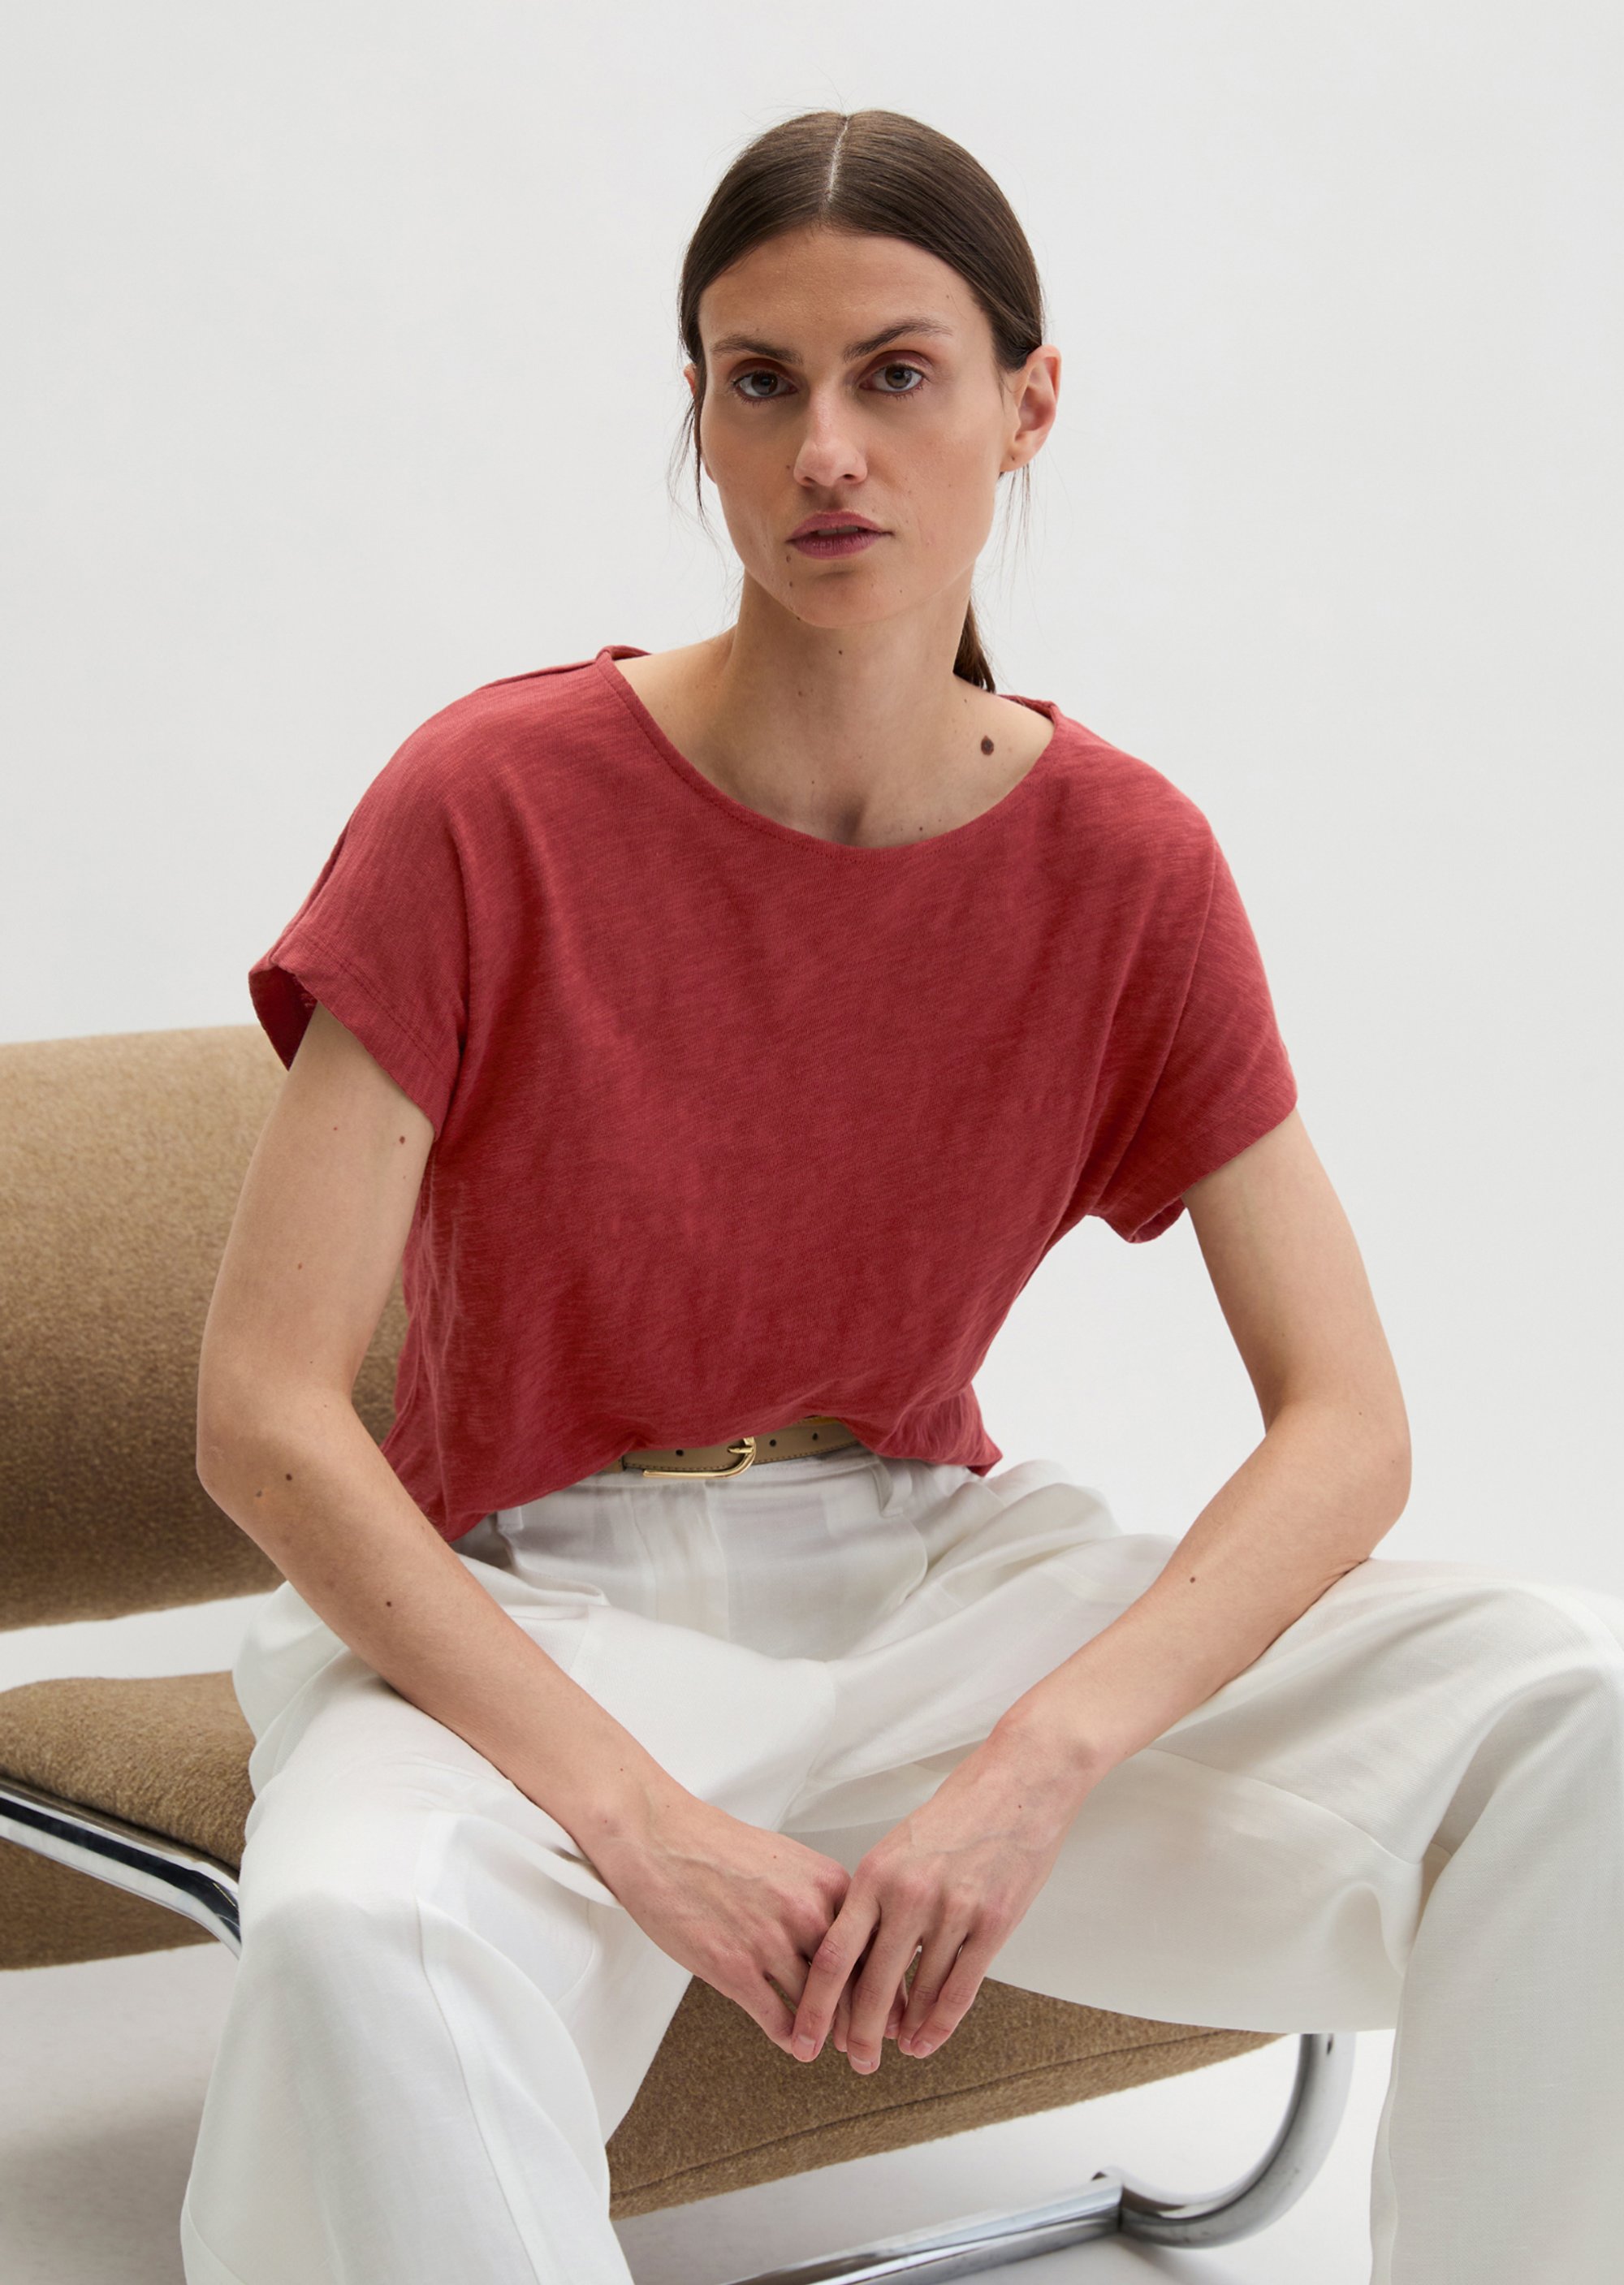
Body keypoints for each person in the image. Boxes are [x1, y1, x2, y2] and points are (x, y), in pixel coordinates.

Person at [182, 107, 1624, 2285]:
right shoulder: (492, 802)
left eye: (898, 373)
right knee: (351, 1935)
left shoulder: (1125, 864)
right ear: (697, 413)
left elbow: (1348, 1426)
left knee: (1573, 1713)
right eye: (759, 381)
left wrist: (1044, 1757)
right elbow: (267, 1414)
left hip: (940, 1590)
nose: (826, 449)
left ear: (1029, 405)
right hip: (542, 1597)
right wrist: (644, 1825)